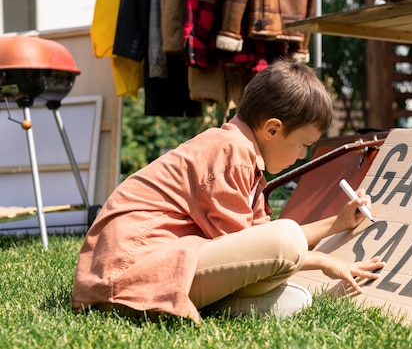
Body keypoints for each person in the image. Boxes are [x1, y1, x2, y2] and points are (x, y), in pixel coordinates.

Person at [71, 59, 385, 322]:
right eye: (302, 144)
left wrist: (338, 223)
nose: (301, 156)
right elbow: (264, 247)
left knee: (295, 299)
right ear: (273, 129)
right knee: (287, 238)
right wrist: (327, 262)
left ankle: (184, 303)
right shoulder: (231, 153)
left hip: (146, 273)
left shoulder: (241, 152)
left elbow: (257, 244)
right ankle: (165, 300)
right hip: (129, 274)